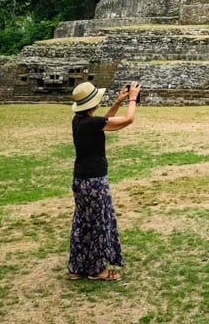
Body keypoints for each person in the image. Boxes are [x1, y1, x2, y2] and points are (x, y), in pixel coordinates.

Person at [67, 80, 140, 281]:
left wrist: (118, 102)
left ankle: (77, 267)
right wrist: (133, 98)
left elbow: (104, 123)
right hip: (94, 181)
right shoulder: (90, 123)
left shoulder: (79, 121)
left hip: (80, 180)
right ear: (94, 104)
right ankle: (98, 270)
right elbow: (128, 120)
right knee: (99, 222)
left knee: (82, 222)